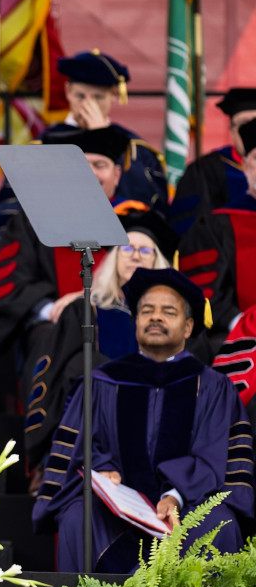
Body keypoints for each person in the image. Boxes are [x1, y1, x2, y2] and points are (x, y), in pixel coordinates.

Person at [32, 268, 254, 573]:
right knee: (77, 517)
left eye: (169, 311)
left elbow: (215, 454)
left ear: (188, 326)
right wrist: (102, 468)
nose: (155, 317)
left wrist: (174, 496)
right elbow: (80, 446)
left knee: (221, 522)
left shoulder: (213, 386)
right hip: (115, 508)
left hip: (188, 504)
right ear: (135, 321)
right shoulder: (102, 381)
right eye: (147, 311)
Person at [23, 209, 175, 474]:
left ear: (157, 262)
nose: (136, 255)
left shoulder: (172, 321)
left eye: (146, 250)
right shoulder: (87, 311)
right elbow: (61, 375)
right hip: (92, 433)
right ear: (114, 259)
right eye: (127, 247)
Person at [0, 125, 147, 356]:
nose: (91, 174)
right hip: (53, 331)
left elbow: (157, 281)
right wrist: (50, 310)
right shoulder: (32, 222)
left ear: (116, 175)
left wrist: (95, 303)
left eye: (100, 166)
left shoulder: (140, 220)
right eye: (82, 166)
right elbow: (8, 285)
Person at [0, 50, 168, 253]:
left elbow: (149, 220)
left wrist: (103, 137)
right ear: (67, 91)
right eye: (80, 96)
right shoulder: (38, 149)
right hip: (48, 265)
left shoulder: (136, 152)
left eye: (98, 98)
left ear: (114, 96)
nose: (88, 106)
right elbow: (9, 222)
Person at [177, 119, 256, 347]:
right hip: (239, 343)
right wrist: (241, 323)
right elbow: (203, 291)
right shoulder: (215, 225)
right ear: (246, 166)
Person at [169, 88, 256, 236]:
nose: (251, 129)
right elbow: (190, 226)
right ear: (232, 132)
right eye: (243, 124)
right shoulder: (204, 170)